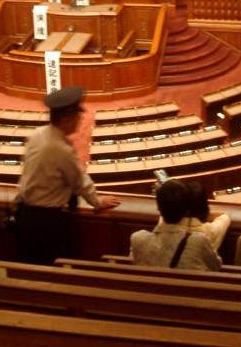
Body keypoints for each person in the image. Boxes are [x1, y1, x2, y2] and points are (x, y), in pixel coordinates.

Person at [13, 85, 120, 265]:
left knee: (31, 268)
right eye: (76, 117)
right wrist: (98, 202)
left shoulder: (38, 134)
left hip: (25, 216)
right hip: (46, 223)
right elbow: (79, 182)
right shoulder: (60, 149)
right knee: (53, 272)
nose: (79, 120)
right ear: (64, 120)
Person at [130, 179, 222, 271]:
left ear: (158, 207)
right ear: (187, 210)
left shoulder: (138, 239)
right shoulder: (199, 241)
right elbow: (216, 267)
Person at [156, 180, 231, 250]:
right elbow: (226, 215)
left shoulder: (164, 224)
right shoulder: (210, 231)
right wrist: (204, 213)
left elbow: (165, 210)